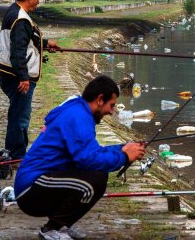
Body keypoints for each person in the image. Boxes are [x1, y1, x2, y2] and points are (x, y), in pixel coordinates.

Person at [14, 75, 146, 240]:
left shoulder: (78, 108)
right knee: (95, 181)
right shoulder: (78, 117)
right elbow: (89, 160)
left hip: (43, 180)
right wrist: (124, 157)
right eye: (111, 105)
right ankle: (51, 230)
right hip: (30, 189)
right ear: (99, 99)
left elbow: (91, 152)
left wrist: (122, 148)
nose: (111, 111)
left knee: (97, 175)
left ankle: (60, 226)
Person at [0, 0, 61, 160]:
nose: (38, 2)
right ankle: (16, 157)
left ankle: (16, 154)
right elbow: (18, 51)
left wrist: (45, 44)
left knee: (18, 114)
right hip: (17, 78)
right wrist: (23, 77)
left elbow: (25, 39)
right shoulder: (21, 19)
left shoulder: (14, 11)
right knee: (20, 118)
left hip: (9, 74)